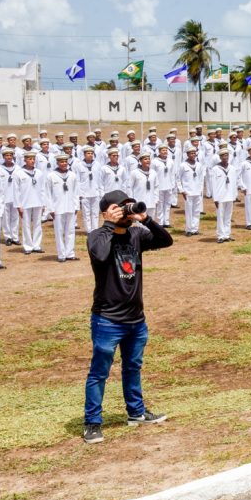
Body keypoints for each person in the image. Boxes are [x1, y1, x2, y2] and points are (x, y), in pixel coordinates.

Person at [83, 190, 173, 444]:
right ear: (105, 212)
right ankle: (92, 422)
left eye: (126, 206)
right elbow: (100, 255)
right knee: (99, 372)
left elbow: (166, 241)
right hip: (107, 319)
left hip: (136, 319)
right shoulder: (97, 236)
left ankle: (136, 412)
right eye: (118, 208)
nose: (125, 211)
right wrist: (110, 225)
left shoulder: (136, 234)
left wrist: (145, 219)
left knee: (133, 367)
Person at [45, 153, 79, 262]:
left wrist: (76, 205)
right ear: (57, 163)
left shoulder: (72, 175)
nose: (64, 163)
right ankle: (61, 255)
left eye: (65, 161)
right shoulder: (51, 176)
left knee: (70, 231)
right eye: (61, 162)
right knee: (59, 232)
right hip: (57, 208)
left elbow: (75, 192)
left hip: (70, 206)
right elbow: (48, 193)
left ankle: (70, 253)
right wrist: (50, 209)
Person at [209, 147, 238, 242]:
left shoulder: (232, 168)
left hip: (230, 195)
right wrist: (215, 198)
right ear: (220, 157)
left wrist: (234, 195)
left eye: (227, 155)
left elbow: (234, 183)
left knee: (228, 216)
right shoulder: (215, 169)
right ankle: (221, 235)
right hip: (220, 196)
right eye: (223, 156)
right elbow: (213, 184)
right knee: (220, 216)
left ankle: (227, 234)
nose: (225, 157)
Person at [177, 147, 206, 236]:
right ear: (187, 154)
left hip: (197, 191)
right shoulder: (183, 165)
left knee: (196, 211)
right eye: (191, 153)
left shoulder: (199, 165)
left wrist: (201, 189)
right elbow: (178, 178)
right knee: (189, 211)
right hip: (188, 191)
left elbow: (201, 178)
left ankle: (195, 228)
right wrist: (181, 190)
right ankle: (188, 229)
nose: (193, 155)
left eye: (194, 153)